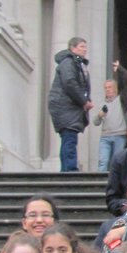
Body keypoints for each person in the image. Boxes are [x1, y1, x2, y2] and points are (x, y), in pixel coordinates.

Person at [47, 36, 92, 172]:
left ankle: (68, 168)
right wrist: (84, 101)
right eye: (82, 46)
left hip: (67, 107)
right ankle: (69, 170)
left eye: (85, 46)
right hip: (66, 107)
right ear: (73, 48)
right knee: (69, 139)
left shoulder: (74, 63)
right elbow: (70, 83)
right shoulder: (69, 63)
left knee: (69, 139)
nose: (85, 49)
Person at [92, 79, 127, 172]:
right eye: (106, 88)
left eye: (110, 87)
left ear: (115, 89)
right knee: (103, 161)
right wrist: (99, 116)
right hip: (105, 136)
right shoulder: (102, 103)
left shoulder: (121, 100)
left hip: (119, 134)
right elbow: (95, 122)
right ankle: (99, 184)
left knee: (116, 161)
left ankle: (115, 182)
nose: (107, 90)